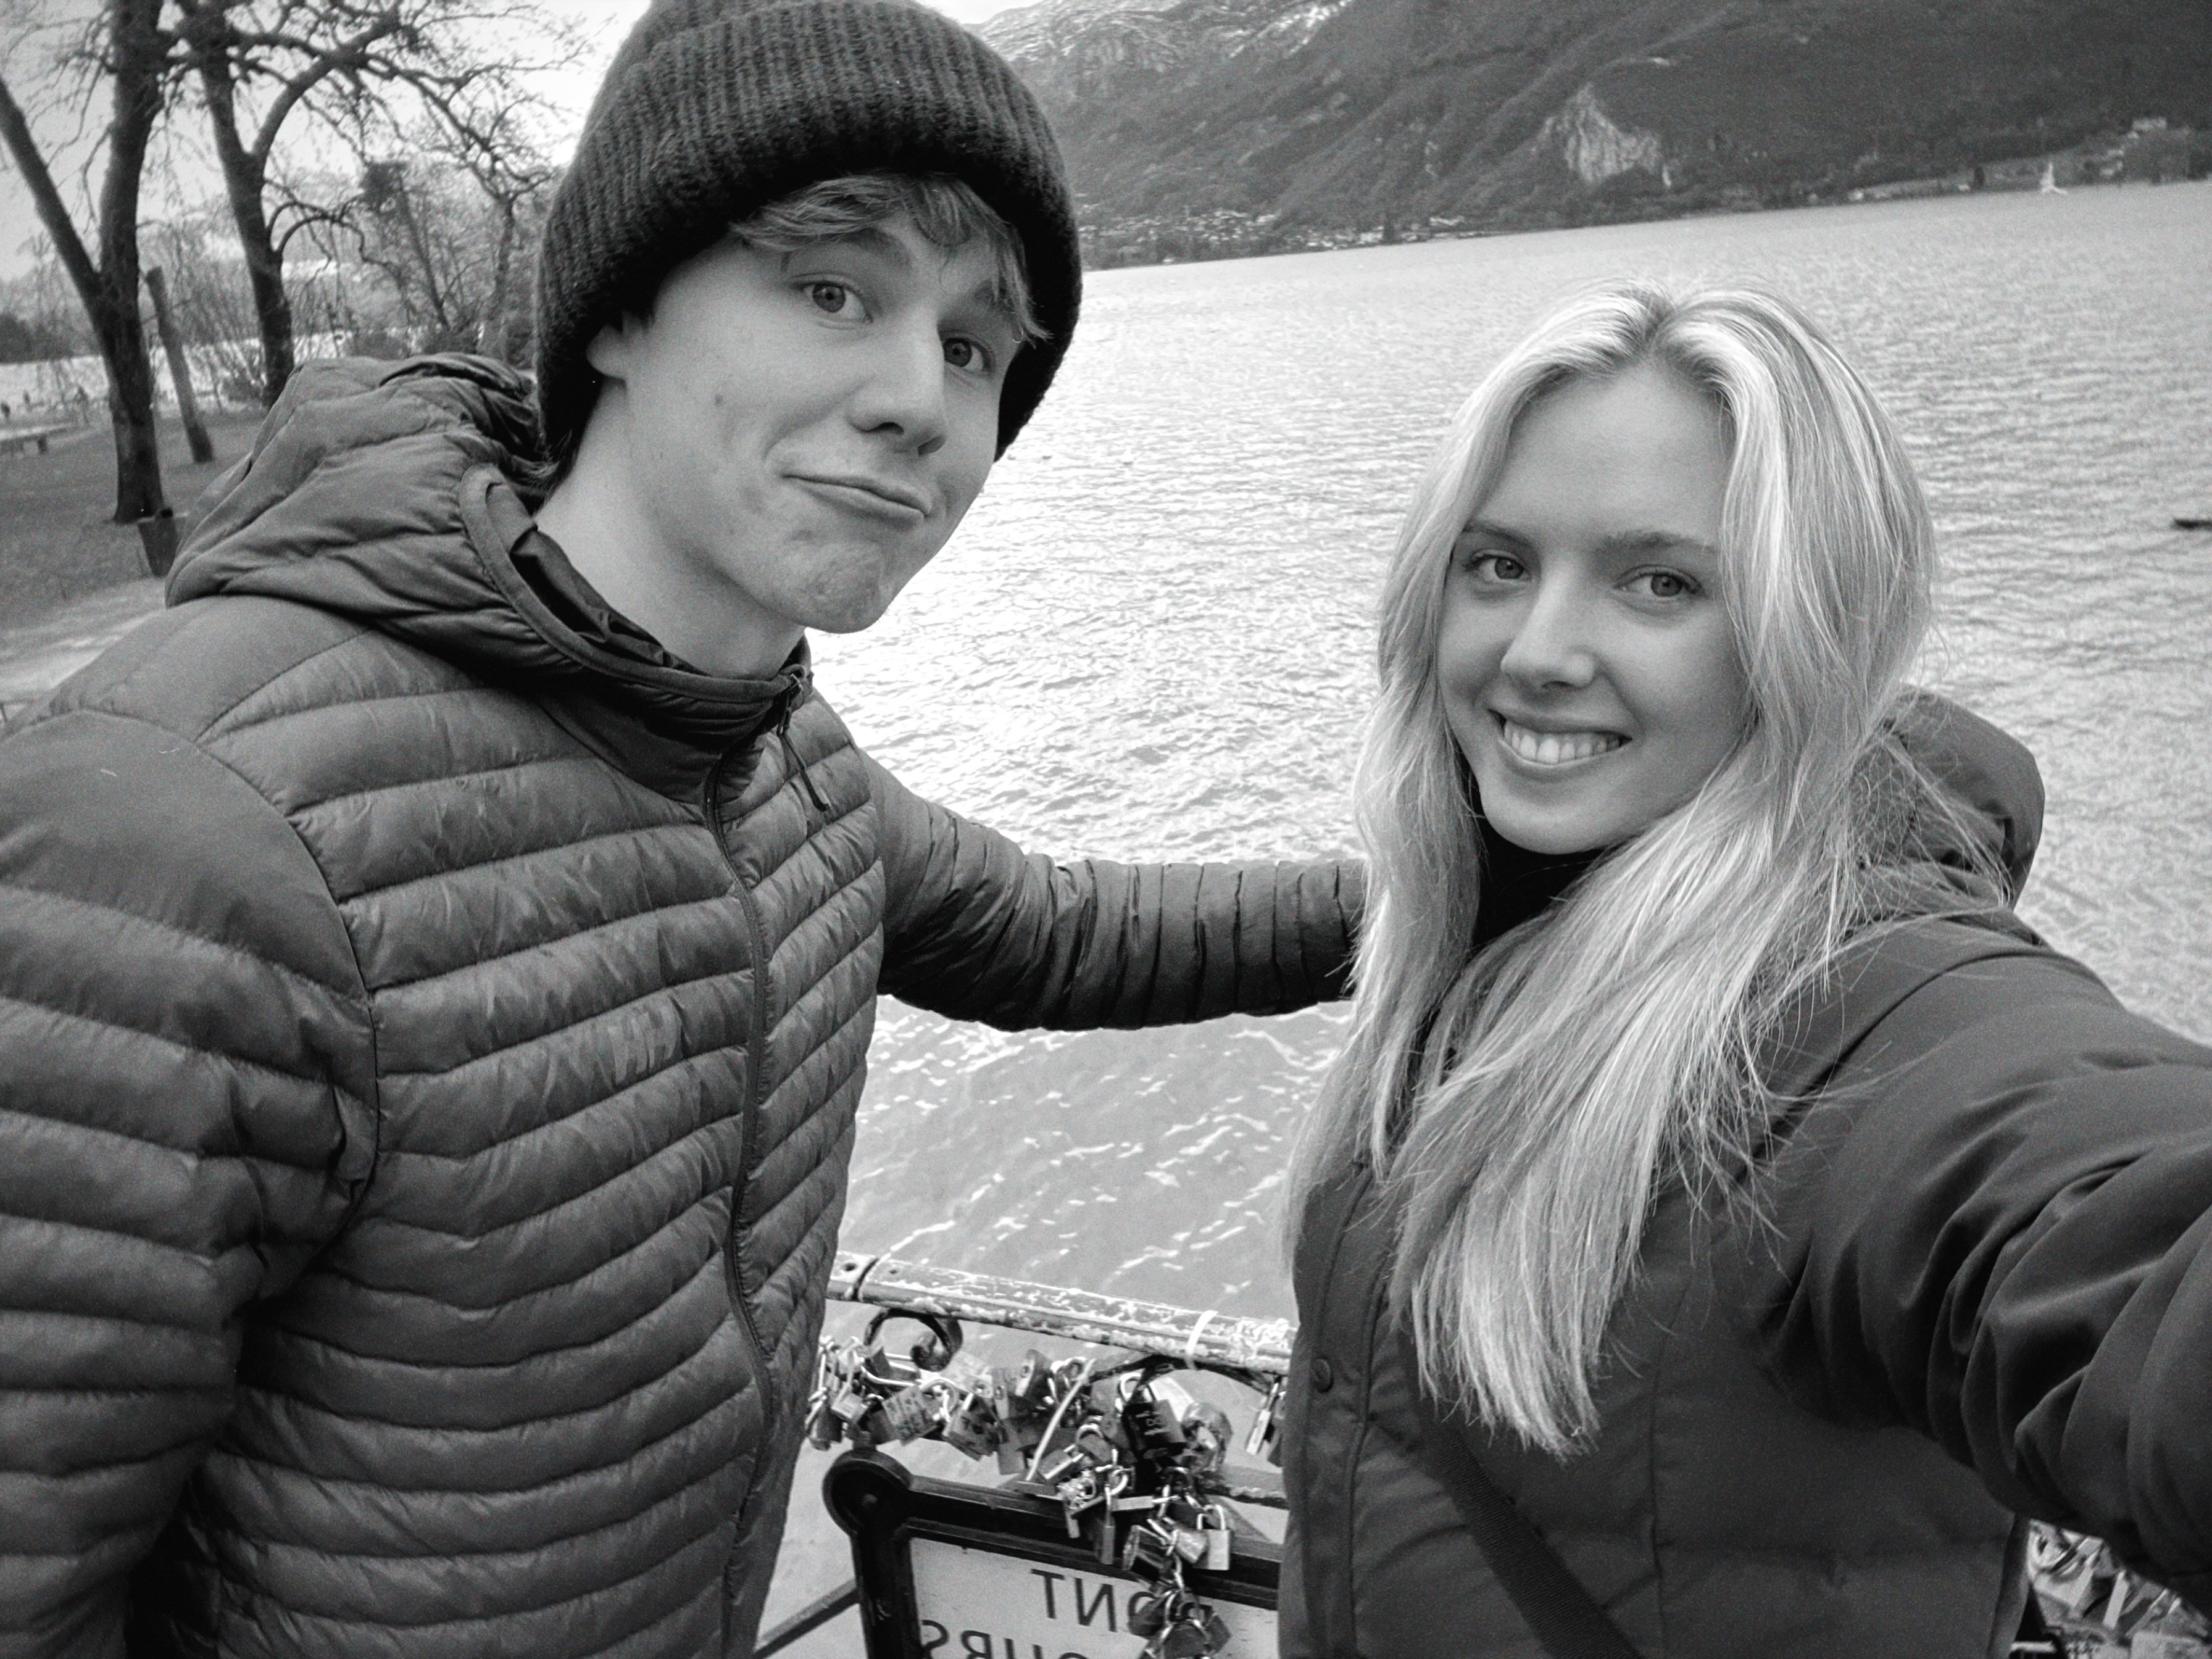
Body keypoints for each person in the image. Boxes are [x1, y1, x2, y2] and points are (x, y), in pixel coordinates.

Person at [0, 4, 1368, 1655]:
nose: (917, 402)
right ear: (624, 311)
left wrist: (1477, 889)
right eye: (833, 293)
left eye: (972, 346)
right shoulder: (182, 820)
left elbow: (1054, 930)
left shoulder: (768, 762)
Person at [1279, 282, 2212, 1657]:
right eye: (1495, 564)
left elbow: (2092, 1215)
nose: (1536, 653)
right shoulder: (1494, 930)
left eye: (1660, 583)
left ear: (1808, 629)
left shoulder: (1856, 1025)